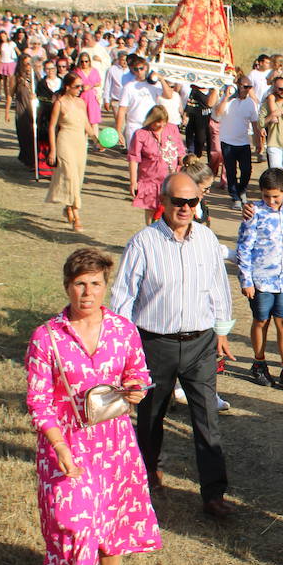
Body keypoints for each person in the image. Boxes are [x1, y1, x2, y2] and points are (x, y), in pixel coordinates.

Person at [25, 248, 160, 565]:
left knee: (112, 516)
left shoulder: (123, 330)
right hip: (65, 442)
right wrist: (59, 445)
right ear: (67, 286)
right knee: (72, 519)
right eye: (80, 284)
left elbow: (138, 372)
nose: (88, 292)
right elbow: (38, 400)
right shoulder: (47, 337)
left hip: (114, 440)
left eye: (96, 284)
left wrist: (136, 389)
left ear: (106, 286)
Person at [111, 173, 236, 519]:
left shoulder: (208, 239)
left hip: (200, 344)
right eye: (178, 201)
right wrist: (123, 347)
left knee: (207, 417)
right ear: (163, 201)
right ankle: (149, 472)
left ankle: (214, 494)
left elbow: (218, 288)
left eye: (191, 202)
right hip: (155, 344)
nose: (185, 208)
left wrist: (222, 331)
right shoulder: (143, 243)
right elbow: (123, 298)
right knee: (151, 415)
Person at [236, 169, 283, 394]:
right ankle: (259, 363)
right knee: (261, 321)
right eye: (267, 196)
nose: (271, 201)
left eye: (276, 196)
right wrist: (246, 280)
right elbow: (244, 248)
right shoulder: (254, 212)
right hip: (261, 280)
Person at [46, 73, 100, 232]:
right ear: (67, 87)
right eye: (77, 86)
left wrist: (96, 140)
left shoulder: (81, 102)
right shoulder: (60, 103)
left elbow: (86, 124)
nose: (80, 89)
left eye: (81, 86)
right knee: (70, 176)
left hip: (80, 143)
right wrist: (52, 151)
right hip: (65, 141)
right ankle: (76, 216)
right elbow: (52, 127)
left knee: (78, 178)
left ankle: (68, 206)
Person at [128, 105, 185, 226]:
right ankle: (150, 232)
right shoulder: (140, 134)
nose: (161, 125)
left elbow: (180, 151)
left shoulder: (172, 129)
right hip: (149, 180)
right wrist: (133, 182)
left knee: (171, 209)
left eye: (164, 122)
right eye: (158, 122)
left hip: (170, 179)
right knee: (151, 211)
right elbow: (133, 158)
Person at [216, 75, 264, 209]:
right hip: (227, 141)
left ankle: (242, 190)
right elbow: (218, 112)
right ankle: (235, 197)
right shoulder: (229, 101)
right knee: (231, 171)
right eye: (245, 87)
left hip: (243, 142)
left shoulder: (250, 103)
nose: (247, 89)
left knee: (246, 170)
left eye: (250, 87)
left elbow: (255, 124)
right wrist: (226, 97)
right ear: (238, 86)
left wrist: (258, 143)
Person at [116, 55, 172, 151]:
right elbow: (122, 109)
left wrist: (161, 79)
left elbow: (168, 96)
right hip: (134, 125)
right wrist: (118, 130)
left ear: (145, 68)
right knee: (134, 155)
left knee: (150, 154)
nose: (139, 71)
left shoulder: (154, 84)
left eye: (141, 68)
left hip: (151, 125)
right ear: (132, 70)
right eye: (136, 69)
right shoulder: (128, 87)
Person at [12, 56, 39, 172]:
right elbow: (10, 94)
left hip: (35, 109)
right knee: (25, 135)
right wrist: (7, 111)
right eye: (26, 64)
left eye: (30, 63)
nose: (28, 66)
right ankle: (29, 160)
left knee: (35, 134)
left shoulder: (36, 76)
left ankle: (36, 160)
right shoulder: (16, 78)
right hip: (22, 109)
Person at [73, 52, 103, 126]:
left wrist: (90, 86)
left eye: (86, 61)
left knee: (94, 121)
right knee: (83, 120)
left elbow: (99, 83)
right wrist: (81, 87)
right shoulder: (76, 71)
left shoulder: (94, 70)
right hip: (81, 96)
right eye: (82, 61)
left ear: (89, 61)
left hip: (92, 97)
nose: (84, 63)